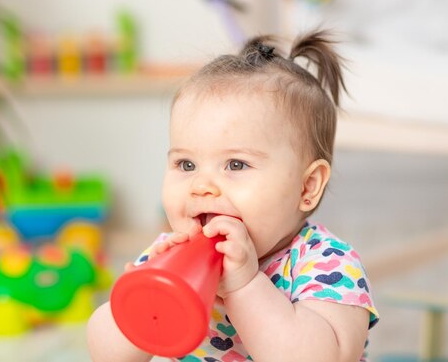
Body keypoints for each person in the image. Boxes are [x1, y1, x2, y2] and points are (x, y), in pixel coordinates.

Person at [87, 30, 379, 362]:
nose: (202, 186)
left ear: (307, 186)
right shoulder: (167, 257)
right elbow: (106, 354)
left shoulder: (326, 263)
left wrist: (245, 286)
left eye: (236, 164)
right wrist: (138, 301)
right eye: (186, 164)